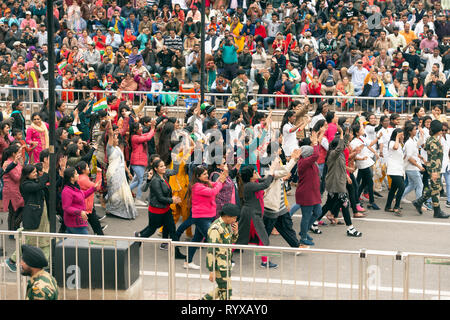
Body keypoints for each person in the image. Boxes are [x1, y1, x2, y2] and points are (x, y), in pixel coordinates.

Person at [134, 158, 186, 260]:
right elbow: (160, 198)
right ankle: (136, 243)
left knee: (172, 230)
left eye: (164, 165)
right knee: (151, 230)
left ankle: (176, 253)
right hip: (156, 211)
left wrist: (176, 159)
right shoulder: (155, 180)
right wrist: (172, 200)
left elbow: (175, 171)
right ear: (156, 169)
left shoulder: (164, 175)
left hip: (166, 210)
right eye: (161, 166)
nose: (164, 168)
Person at [5, 162, 50, 272]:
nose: (36, 174)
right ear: (27, 174)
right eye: (33, 172)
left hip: (42, 216)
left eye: (36, 172)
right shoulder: (25, 185)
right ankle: (12, 260)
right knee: (28, 241)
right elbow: (40, 185)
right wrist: (46, 172)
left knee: (46, 240)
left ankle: (45, 264)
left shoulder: (35, 181)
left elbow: (43, 185)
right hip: (34, 217)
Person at [184, 166, 227, 270]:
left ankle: (187, 262)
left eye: (207, 173)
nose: (207, 175)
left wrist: (220, 180)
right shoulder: (197, 186)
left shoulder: (205, 183)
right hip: (201, 217)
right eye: (204, 174)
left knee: (196, 239)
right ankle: (222, 263)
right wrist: (220, 182)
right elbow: (213, 191)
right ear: (198, 176)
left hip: (208, 216)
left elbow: (215, 185)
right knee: (213, 239)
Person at [236, 165, 275, 268]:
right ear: (250, 176)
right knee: (262, 237)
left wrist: (273, 172)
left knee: (240, 237)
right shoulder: (249, 185)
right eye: (254, 172)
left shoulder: (253, 182)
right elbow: (266, 184)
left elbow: (265, 180)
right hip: (251, 215)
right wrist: (271, 172)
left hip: (252, 214)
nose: (256, 173)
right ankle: (265, 262)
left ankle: (225, 257)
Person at [202, 203, 240, 300]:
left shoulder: (226, 225)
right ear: (227, 216)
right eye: (234, 218)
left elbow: (229, 242)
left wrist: (235, 233)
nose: (235, 220)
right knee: (226, 292)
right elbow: (211, 250)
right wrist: (212, 270)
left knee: (221, 289)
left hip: (226, 263)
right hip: (219, 266)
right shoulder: (216, 229)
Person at [413, 120, 449, 219]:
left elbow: (425, 149)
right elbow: (433, 157)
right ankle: (436, 211)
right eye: (441, 129)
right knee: (436, 189)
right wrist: (434, 172)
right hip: (434, 168)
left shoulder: (431, 139)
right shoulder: (434, 141)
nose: (442, 131)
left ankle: (420, 202)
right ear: (438, 130)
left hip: (433, 167)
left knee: (435, 188)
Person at [105, 119, 137, 220]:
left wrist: (128, 172)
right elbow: (110, 133)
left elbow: (123, 162)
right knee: (114, 193)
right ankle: (112, 209)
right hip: (113, 173)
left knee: (122, 192)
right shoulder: (109, 148)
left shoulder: (118, 149)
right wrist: (109, 122)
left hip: (121, 173)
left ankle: (120, 210)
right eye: (115, 138)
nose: (117, 139)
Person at [61, 167, 100, 235]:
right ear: (71, 178)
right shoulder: (67, 191)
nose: (78, 175)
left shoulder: (74, 187)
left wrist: (93, 188)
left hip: (78, 221)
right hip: (75, 223)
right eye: (76, 174)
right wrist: (80, 212)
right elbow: (66, 207)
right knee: (84, 243)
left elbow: (83, 195)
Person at [384, 128, 405, 216]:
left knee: (393, 189)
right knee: (402, 187)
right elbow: (395, 148)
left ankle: (388, 206)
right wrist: (397, 137)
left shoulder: (400, 144)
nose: (402, 136)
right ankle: (396, 206)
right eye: (401, 135)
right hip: (393, 170)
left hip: (399, 170)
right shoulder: (392, 143)